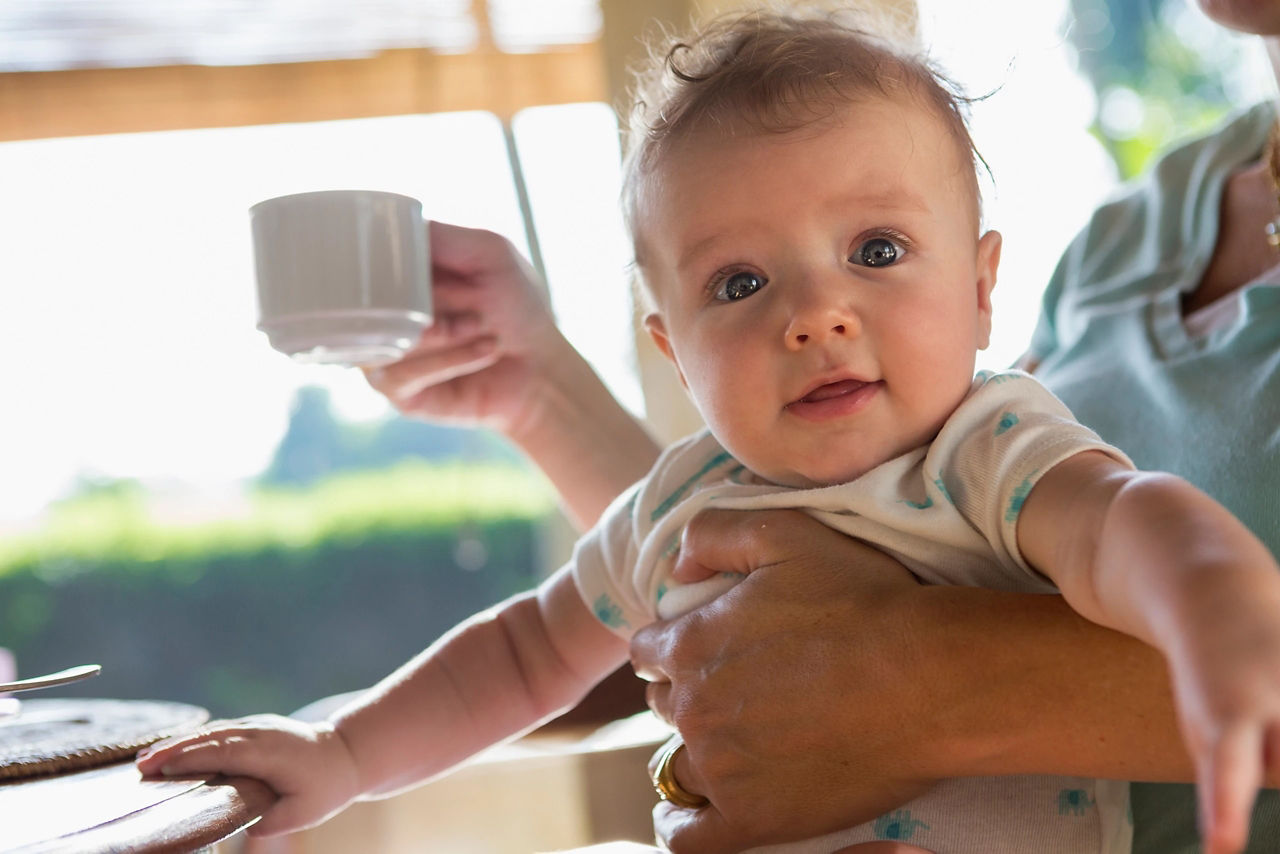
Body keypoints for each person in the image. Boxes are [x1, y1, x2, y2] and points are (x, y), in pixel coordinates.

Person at [136, 8, 1280, 854]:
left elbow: (1120, 518)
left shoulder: (986, 450)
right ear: (671, 345)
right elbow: (527, 650)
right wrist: (340, 754)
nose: (811, 315)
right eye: (737, 282)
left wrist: (1217, 608)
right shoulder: (680, 501)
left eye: (875, 252)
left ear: (983, 289)